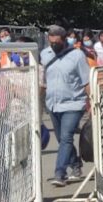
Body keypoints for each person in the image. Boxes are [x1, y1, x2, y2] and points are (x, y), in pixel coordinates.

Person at [40, 25, 89, 187]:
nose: (54, 44)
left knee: (66, 137)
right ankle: (75, 164)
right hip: (53, 104)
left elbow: (86, 80)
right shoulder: (45, 55)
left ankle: (60, 173)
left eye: (57, 41)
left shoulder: (77, 55)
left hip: (74, 103)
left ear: (64, 39)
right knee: (62, 139)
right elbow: (43, 81)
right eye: (51, 41)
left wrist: (93, 102)